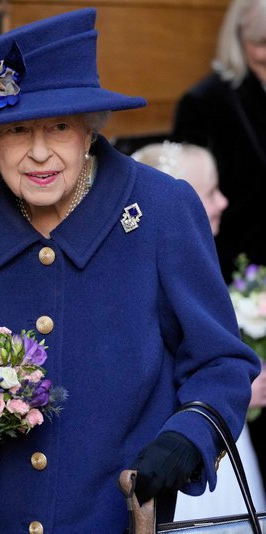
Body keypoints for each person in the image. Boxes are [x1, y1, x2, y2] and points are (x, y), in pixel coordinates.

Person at [0, 9, 261, 533]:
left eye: (59, 126)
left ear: (89, 130)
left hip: (114, 518)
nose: (40, 153)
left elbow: (221, 362)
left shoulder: (162, 210)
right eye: (16, 130)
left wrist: (189, 436)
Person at [131, 141, 266, 517]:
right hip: (180, 450)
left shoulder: (205, 258)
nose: (223, 202)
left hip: (220, 429)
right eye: (209, 193)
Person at [172, 0, 266, 493]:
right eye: (260, 45)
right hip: (234, 278)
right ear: (238, 39)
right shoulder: (206, 103)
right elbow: (188, 212)